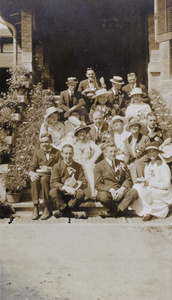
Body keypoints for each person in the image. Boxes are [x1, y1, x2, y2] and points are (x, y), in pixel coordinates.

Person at [94, 142, 138, 218]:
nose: (113, 154)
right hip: (108, 192)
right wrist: (110, 190)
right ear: (105, 153)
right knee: (103, 197)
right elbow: (98, 185)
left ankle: (115, 212)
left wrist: (122, 189)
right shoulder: (99, 166)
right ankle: (120, 211)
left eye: (115, 151)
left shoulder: (121, 163)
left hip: (120, 191)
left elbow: (128, 179)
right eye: (110, 151)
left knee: (134, 192)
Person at [131, 142, 172, 221]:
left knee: (159, 209)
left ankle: (149, 212)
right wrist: (143, 181)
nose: (152, 154)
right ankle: (147, 212)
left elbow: (166, 184)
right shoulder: (148, 165)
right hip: (151, 189)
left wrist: (149, 183)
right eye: (149, 152)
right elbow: (148, 180)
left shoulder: (163, 166)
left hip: (162, 192)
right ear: (147, 154)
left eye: (154, 151)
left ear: (158, 152)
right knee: (137, 187)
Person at [29, 133, 61, 220]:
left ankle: (47, 207)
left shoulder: (57, 152)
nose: (44, 144)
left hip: (52, 177)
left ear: (51, 141)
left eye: (46, 142)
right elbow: (32, 166)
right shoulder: (37, 152)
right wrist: (31, 173)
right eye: (42, 142)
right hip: (40, 175)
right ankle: (35, 206)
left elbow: (60, 167)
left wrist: (50, 168)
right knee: (34, 180)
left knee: (44, 179)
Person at [49, 144, 88, 218]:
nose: (68, 156)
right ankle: (69, 212)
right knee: (53, 192)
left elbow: (85, 183)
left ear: (73, 154)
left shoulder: (78, 166)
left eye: (70, 153)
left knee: (81, 193)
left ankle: (63, 211)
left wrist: (75, 186)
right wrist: (63, 187)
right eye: (66, 153)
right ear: (62, 154)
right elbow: (53, 182)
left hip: (73, 197)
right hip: (61, 194)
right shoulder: (57, 166)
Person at [71, 123, 102, 198]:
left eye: (84, 132)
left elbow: (99, 150)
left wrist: (92, 161)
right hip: (76, 165)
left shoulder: (89, 142)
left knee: (90, 169)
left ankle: (91, 195)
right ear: (77, 134)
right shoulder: (72, 143)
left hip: (87, 164)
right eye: (80, 132)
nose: (82, 134)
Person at [124, 118, 150, 183]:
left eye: (135, 126)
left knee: (136, 165)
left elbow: (148, 153)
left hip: (144, 162)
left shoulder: (145, 138)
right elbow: (126, 155)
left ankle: (137, 184)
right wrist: (125, 164)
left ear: (139, 127)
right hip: (132, 162)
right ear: (129, 128)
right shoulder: (127, 140)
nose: (133, 127)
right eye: (132, 126)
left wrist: (138, 161)